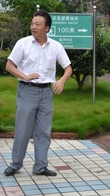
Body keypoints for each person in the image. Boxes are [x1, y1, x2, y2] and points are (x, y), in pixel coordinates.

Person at [4, 10, 72, 177]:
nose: (33, 27)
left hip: (46, 93)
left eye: (37, 24)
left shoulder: (56, 46)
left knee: (43, 131)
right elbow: (9, 66)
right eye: (32, 24)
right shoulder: (23, 43)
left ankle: (40, 166)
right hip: (27, 91)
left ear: (47, 28)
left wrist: (61, 81)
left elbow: (68, 68)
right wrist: (25, 76)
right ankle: (16, 164)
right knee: (23, 130)